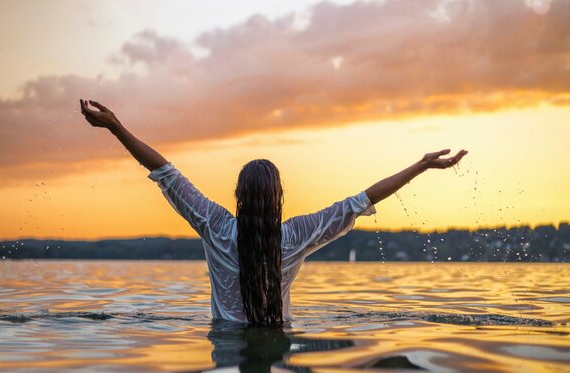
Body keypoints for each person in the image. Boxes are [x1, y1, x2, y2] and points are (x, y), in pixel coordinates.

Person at [79, 99, 468, 327]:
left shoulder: (216, 225)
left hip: (226, 343)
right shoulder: (296, 236)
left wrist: (115, 126)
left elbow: (166, 172)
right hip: (278, 341)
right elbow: (361, 200)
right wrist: (420, 166)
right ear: (280, 197)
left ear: (238, 195)